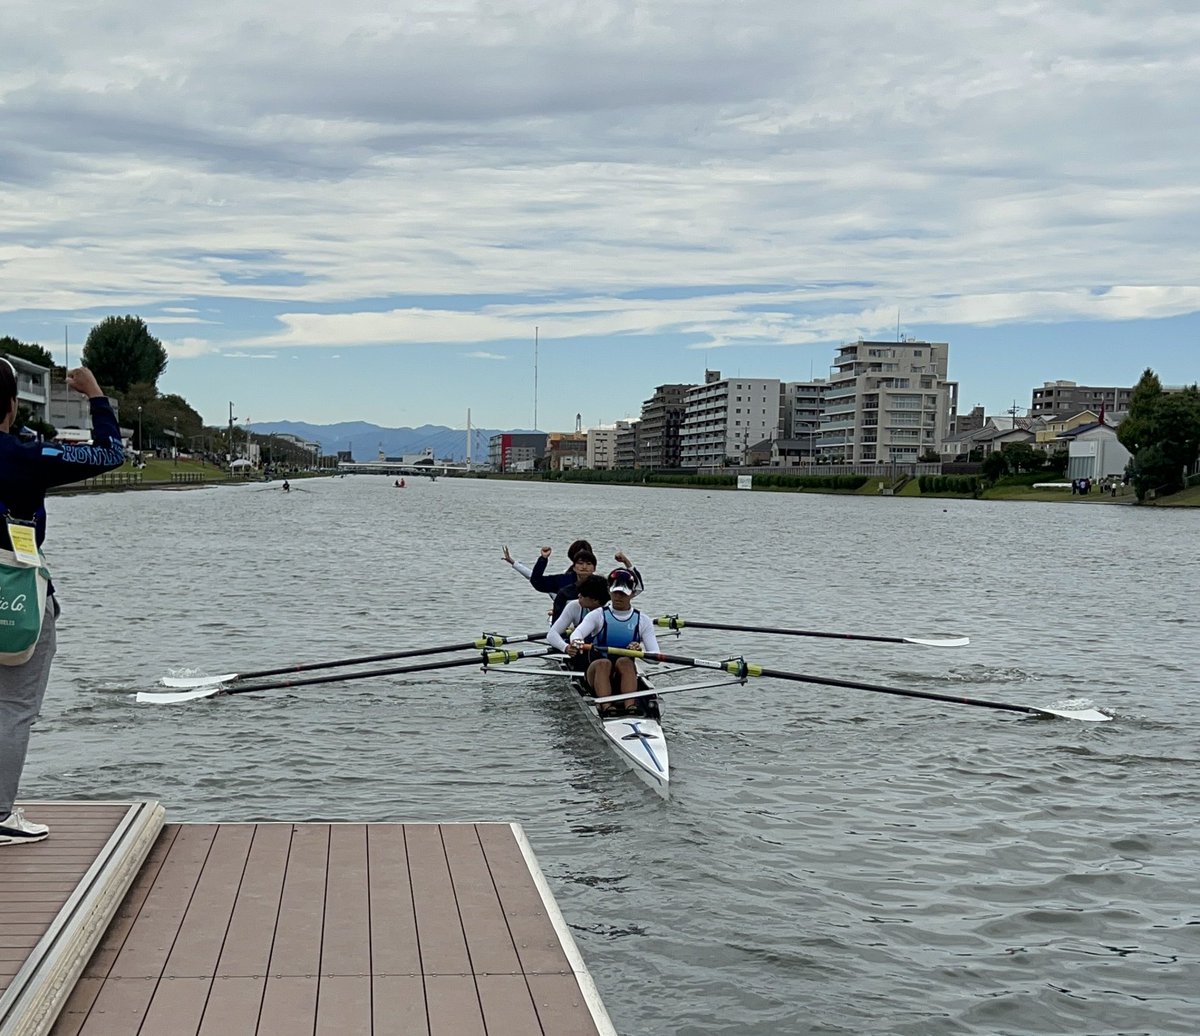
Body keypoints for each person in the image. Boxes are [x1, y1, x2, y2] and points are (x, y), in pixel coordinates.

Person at [0, 363, 124, 845]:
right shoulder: (26, 454)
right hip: (17, 595)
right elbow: (108, 452)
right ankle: (1, 813)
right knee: (12, 705)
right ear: (11, 406)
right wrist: (95, 396)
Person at [566, 568, 660, 716]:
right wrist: (576, 642)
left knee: (625, 661)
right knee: (604, 663)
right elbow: (577, 633)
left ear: (633, 594)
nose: (618, 596)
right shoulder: (598, 615)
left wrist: (640, 652)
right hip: (596, 674)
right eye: (615, 592)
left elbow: (655, 658)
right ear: (609, 591)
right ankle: (607, 707)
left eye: (623, 593)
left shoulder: (643, 620)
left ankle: (630, 707)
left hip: (624, 673)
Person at [546, 574, 610, 671]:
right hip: (582, 652)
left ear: (595, 600)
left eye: (583, 595)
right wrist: (566, 647)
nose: (578, 596)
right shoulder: (574, 606)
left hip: (606, 652)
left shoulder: (612, 610)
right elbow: (552, 634)